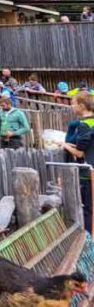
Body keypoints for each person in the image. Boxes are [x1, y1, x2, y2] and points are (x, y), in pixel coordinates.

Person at [63, 91, 94, 234]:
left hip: (88, 174)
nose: (72, 106)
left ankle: (89, 240)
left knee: (88, 210)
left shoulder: (83, 125)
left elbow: (80, 153)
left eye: (73, 104)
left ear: (81, 106)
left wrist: (64, 145)